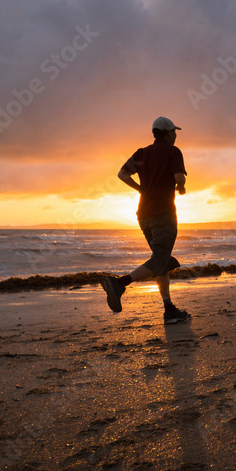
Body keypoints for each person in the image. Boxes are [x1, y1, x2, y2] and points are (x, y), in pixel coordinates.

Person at [101, 116, 190, 324]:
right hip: (164, 214)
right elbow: (179, 177)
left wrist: (141, 188)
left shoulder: (142, 153)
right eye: (174, 132)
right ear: (168, 133)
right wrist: (182, 186)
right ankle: (120, 283)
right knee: (160, 260)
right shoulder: (173, 152)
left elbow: (122, 174)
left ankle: (169, 310)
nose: (175, 135)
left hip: (143, 215)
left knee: (162, 262)